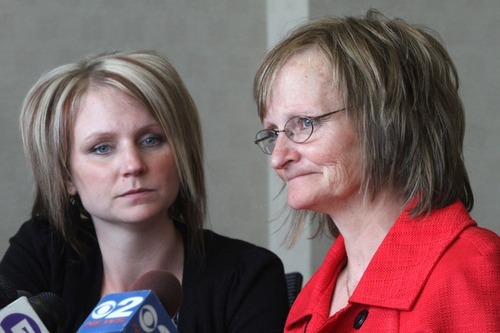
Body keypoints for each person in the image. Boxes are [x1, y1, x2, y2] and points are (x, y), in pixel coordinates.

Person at [0, 50, 289, 332]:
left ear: (181, 154)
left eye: (151, 140)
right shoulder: (42, 251)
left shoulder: (249, 275)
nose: (133, 165)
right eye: (102, 148)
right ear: (66, 176)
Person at [252, 9, 500, 332]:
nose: (278, 158)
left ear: (386, 122)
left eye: (304, 123)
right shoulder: (306, 306)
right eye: (273, 133)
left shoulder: (473, 269)